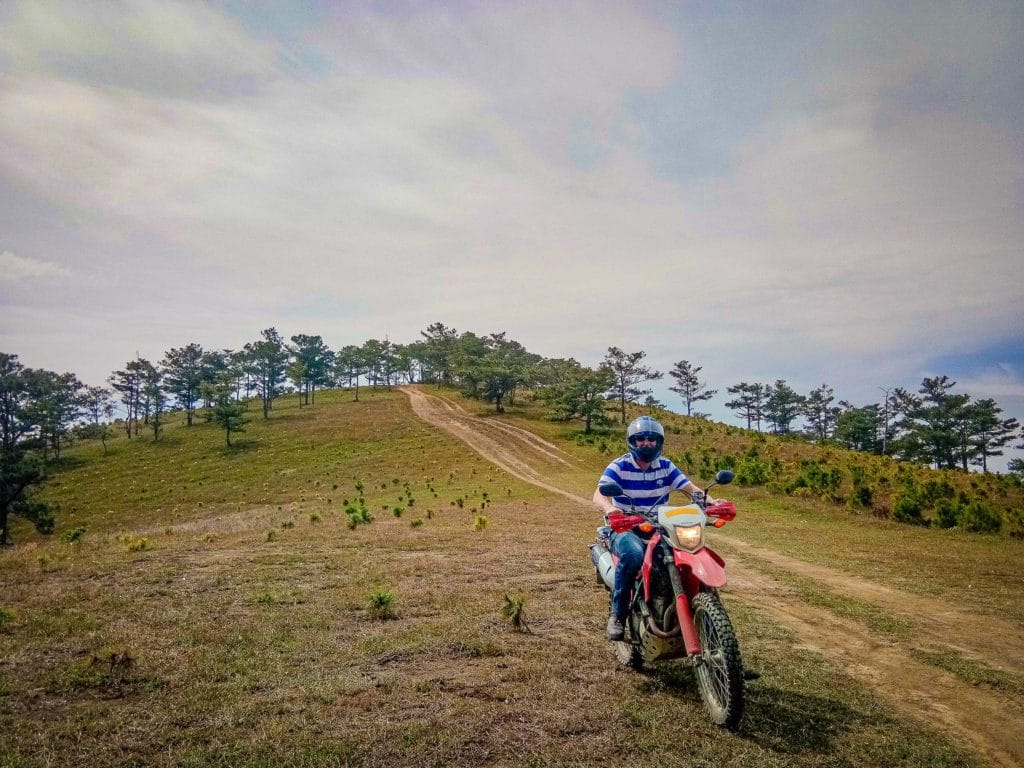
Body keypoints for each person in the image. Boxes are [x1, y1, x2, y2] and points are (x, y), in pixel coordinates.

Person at [593, 415, 718, 641]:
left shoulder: (666, 466)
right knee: (632, 555)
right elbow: (599, 494)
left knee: (691, 553)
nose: (646, 443)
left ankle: (716, 632)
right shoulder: (619, 466)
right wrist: (611, 510)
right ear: (632, 441)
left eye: (651, 439)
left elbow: (690, 489)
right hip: (625, 528)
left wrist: (713, 502)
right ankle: (618, 615)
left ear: (659, 441)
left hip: (659, 527)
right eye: (641, 439)